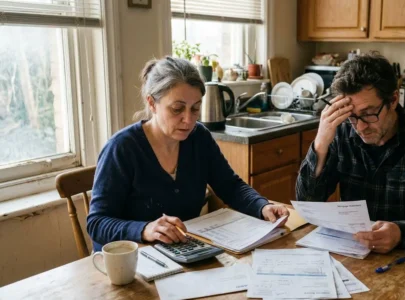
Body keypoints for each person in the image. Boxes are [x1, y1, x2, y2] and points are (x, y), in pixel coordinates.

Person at [87, 57, 289, 251]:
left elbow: (230, 186)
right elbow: (97, 223)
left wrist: (261, 207)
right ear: (152, 103)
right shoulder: (122, 148)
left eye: (195, 108)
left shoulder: (199, 138)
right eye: (177, 109)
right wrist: (145, 229)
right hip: (130, 262)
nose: (188, 120)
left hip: (181, 252)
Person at [296, 52, 405, 253]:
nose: (360, 127)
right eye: (352, 116)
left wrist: (401, 232)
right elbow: (308, 203)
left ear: (393, 100)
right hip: (352, 252)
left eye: (368, 114)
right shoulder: (341, 132)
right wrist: (321, 143)